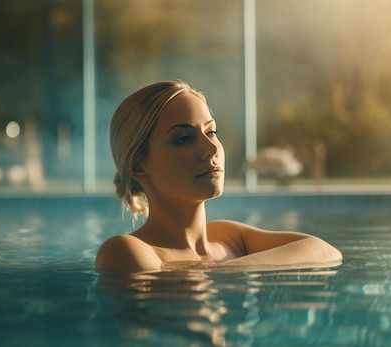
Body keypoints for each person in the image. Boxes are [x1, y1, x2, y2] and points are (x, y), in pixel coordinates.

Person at [95, 80, 341, 273]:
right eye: (183, 139)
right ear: (139, 166)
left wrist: (220, 269)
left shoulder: (227, 236)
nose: (211, 149)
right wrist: (225, 270)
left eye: (211, 132)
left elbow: (325, 251)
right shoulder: (127, 251)